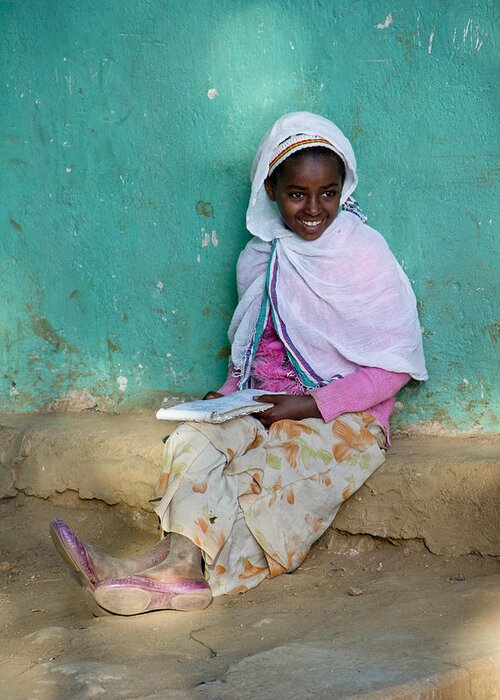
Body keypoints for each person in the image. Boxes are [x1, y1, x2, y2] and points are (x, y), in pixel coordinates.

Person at [50, 111, 427, 616]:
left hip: (341, 419)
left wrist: (305, 405)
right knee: (192, 441)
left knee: (262, 470)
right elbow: (255, 343)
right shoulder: (260, 255)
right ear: (270, 188)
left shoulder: (365, 256)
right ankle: (179, 565)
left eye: (328, 193)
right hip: (260, 405)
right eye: (297, 194)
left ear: (345, 187)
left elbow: (394, 367)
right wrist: (228, 396)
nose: (314, 209)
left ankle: (168, 574)